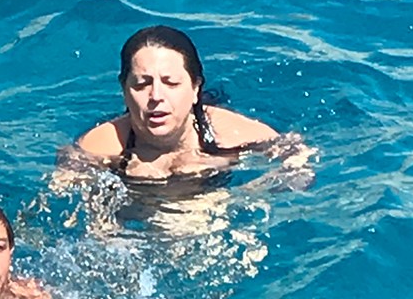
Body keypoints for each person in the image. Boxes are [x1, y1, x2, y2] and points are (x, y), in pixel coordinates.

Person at [68, 26, 313, 188]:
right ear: (124, 90)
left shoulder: (229, 134)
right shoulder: (101, 146)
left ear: (195, 88)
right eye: (142, 85)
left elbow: (297, 154)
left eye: (171, 83)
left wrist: (253, 191)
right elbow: (63, 186)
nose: (156, 96)